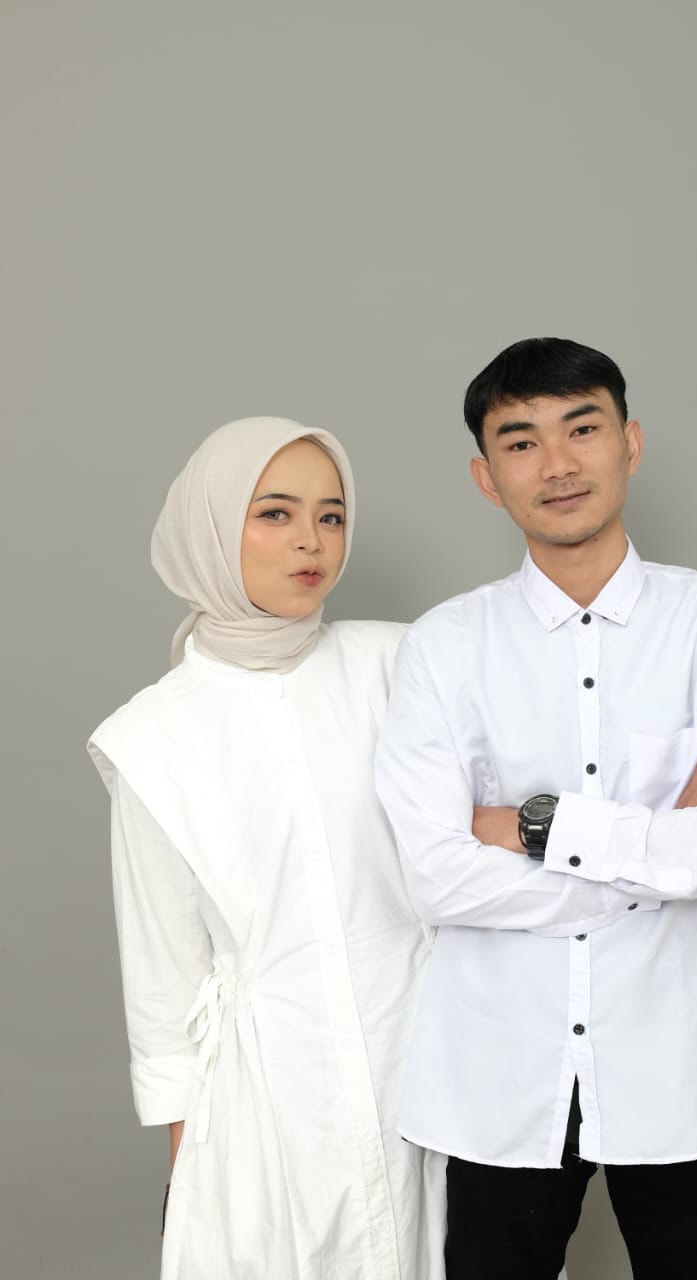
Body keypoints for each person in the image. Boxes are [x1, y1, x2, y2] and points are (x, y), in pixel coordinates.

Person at [374, 338, 697, 1280]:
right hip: (502, 1070)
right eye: (520, 442)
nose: (557, 464)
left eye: (582, 428)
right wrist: (660, 852)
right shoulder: (443, 646)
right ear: (486, 479)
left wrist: (535, 826)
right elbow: (435, 877)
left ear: (629, 444)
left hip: (686, 1064)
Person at [87, 417, 445, 1280]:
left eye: (331, 516)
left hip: (428, 1061)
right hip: (267, 1104)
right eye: (275, 513)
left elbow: (502, 812)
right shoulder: (151, 737)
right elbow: (165, 978)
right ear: (211, 529)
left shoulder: (400, 663)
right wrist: (193, 1179)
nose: (310, 541)